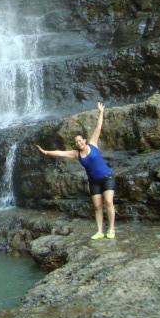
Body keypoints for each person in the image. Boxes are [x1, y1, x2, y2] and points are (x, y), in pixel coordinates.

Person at [36, 102, 115, 240]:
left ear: (84, 140)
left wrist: (101, 112)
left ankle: (112, 229)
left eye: (80, 140)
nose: (79, 143)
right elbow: (60, 153)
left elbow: (98, 127)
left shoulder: (93, 144)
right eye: (76, 142)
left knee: (108, 202)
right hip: (94, 182)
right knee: (97, 206)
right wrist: (46, 152)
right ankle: (99, 231)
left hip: (107, 177)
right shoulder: (75, 154)